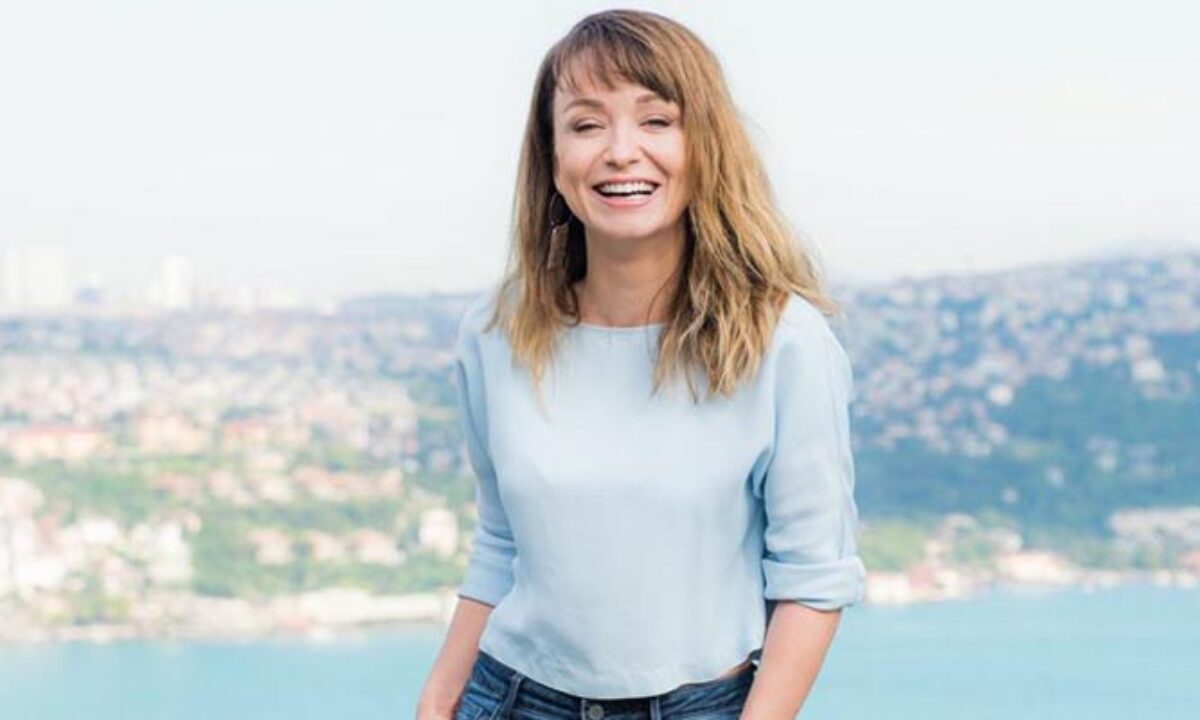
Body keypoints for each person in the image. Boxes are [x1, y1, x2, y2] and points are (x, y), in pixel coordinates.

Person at [418, 9, 866, 720]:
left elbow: (813, 579)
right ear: (553, 158)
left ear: (706, 146)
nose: (621, 152)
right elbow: (501, 542)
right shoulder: (496, 333)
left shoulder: (785, 342)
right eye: (586, 124)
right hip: (506, 699)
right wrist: (438, 698)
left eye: (656, 121)